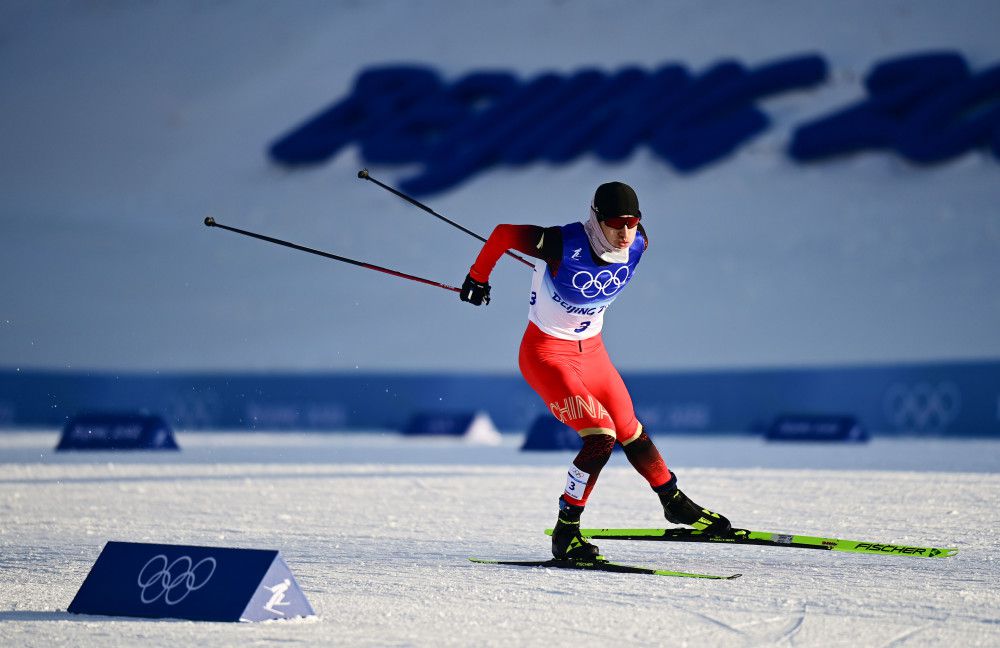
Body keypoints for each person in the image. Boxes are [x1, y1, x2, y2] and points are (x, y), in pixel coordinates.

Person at [459, 181, 732, 560]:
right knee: (601, 435)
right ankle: (566, 531)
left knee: (630, 429)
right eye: (616, 223)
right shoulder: (560, 243)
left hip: (594, 353)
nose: (625, 233)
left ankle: (673, 501)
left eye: (632, 223)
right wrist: (477, 277)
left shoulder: (639, 242)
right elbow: (504, 234)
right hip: (547, 354)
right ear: (596, 219)